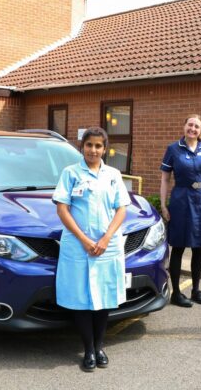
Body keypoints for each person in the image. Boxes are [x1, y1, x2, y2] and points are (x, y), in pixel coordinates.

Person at [52, 127, 131, 371]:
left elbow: (121, 209)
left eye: (98, 146)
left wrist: (106, 238)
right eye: (89, 145)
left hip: (107, 246)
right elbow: (62, 209)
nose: (93, 150)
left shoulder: (113, 174)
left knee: (104, 296)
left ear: (105, 149)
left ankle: (99, 346)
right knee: (82, 298)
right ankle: (87, 349)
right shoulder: (70, 173)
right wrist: (85, 240)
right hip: (78, 246)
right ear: (82, 147)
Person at [160, 114, 201, 307]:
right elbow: (165, 179)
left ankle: (196, 289)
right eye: (190, 125)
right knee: (178, 246)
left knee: (198, 247)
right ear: (184, 126)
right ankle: (176, 293)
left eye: (197, 126)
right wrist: (163, 205)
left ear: (200, 130)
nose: (193, 129)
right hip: (182, 200)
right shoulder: (173, 149)